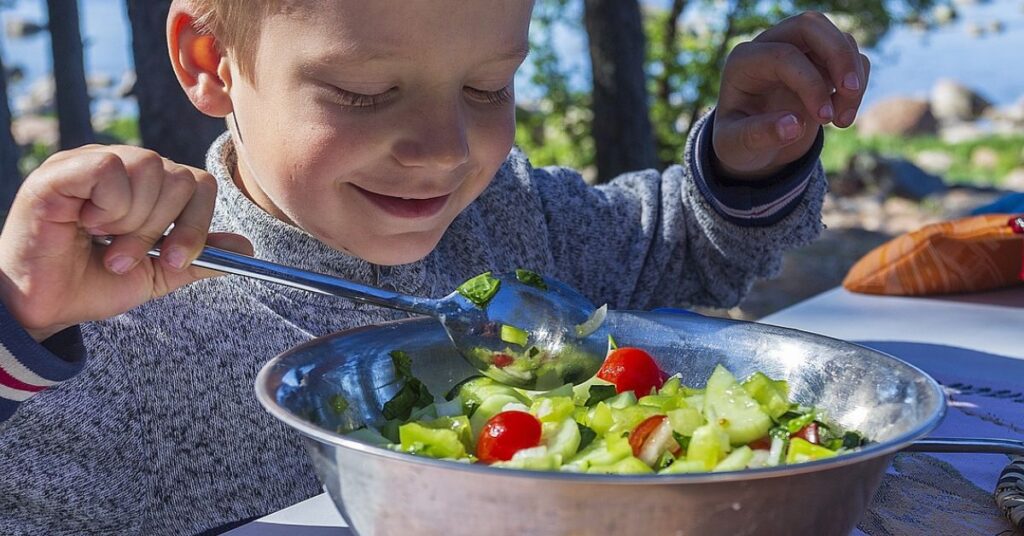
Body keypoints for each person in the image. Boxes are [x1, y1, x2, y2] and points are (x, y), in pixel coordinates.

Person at [0, 1, 869, 534]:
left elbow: (680, 247)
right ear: (210, 62)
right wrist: (21, 324)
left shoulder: (514, 223)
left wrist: (745, 160)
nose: (445, 152)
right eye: (365, 93)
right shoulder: (115, 327)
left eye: (488, 89)